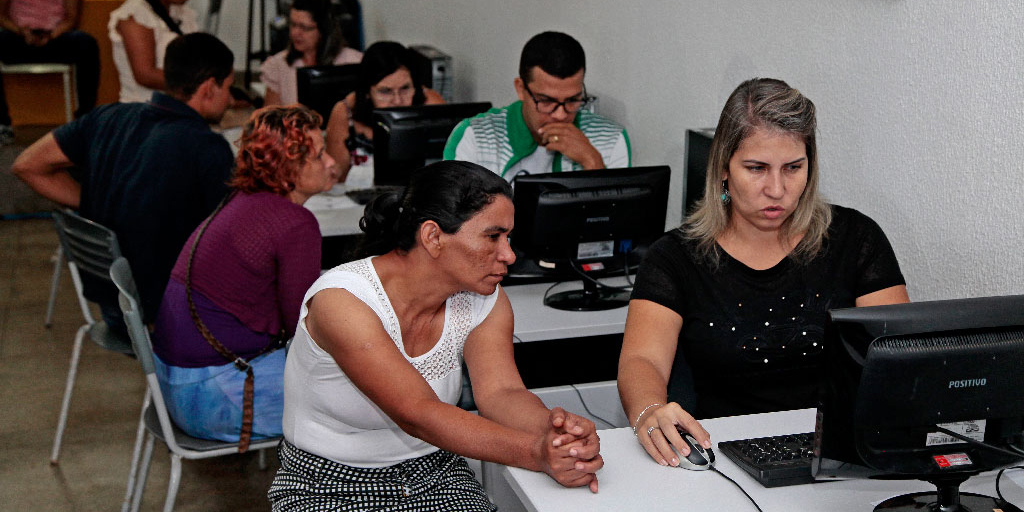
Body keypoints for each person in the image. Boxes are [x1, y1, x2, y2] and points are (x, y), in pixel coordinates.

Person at [268, 161, 603, 510]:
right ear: (433, 236)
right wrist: (535, 453)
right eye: (492, 237)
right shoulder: (342, 300)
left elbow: (502, 393)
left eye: (508, 237)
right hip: (325, 481)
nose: (509, 255)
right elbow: (418, 412)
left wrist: (555, 433)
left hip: (434, 470)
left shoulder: (484, 296)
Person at [617, 78, 910, 467]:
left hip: (838, 450)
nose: (777, 189)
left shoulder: (856, 239)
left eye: (793, 168)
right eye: (756, 168)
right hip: (717, 453)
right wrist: (649, 412)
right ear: (723, 168)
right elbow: (642, 360)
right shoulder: (674, 257)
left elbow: (897, 356)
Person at [12, 32, 235, 331]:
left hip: (112, 304)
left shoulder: (106, 117)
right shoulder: (207, 148)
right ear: (209, 87)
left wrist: (101, 198)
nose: (231, 100)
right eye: (229, 89)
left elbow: (28, 165)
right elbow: (233, 244)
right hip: (165, 318)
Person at [150, 105, 333, 446]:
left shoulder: (243, 200)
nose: (332, 162)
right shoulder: (295, 224)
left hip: (174, 386)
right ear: (288, 168)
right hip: (214, 396)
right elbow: (306, 331)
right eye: (320, 155)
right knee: (376, 404)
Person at [444, 31, 630, 183]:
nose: (560, 114)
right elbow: (456, 223)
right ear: (521, 88)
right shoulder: (475, 137)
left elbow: (620, 224)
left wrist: (592, 162)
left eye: (572, 100)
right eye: (546, 101)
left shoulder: (610, 139)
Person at [324, 40, 444, 182]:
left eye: (405, 88)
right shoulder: (345, 111)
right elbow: (335, 179)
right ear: (368, 91)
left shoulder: (430, 102)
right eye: (385, 91)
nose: (397, 100)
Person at [0, 0, 99, 145]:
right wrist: (21, 31)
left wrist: (51, 35)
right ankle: (3, 124)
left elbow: (71, 18)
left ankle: (84, 122)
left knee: (86, 43)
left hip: (55, 38)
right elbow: (1, 17)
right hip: (19, 37)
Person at [261, 0, 362, 107]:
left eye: (304, 27)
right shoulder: (279, 64)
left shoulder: (353, 62)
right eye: (293, 24)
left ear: (323, 31)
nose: (295, 33)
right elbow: (270, 116)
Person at [108, 0, 198, 103]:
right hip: (142, 109)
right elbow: (145, 75)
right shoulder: (136, 12)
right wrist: (197, 85)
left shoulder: (180, 12)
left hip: (174, 109)